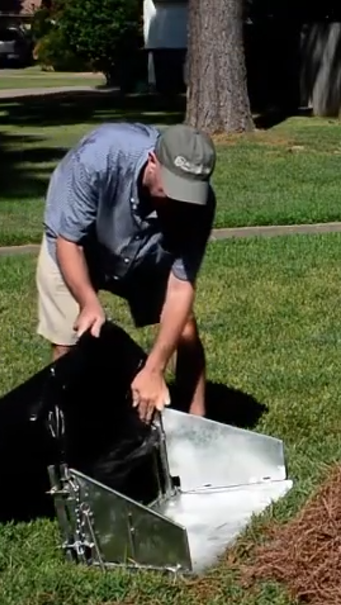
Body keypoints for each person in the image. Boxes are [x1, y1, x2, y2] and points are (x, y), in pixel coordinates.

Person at [34, 122, 217, 422]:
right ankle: (77, 428)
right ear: (153, 162)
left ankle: (199, 428)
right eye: (173, 189)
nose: (180, 202)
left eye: (190, 194)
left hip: (149, 250)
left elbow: (180, 288)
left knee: (185, 330)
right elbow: (70, 242)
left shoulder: (200, 206)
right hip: (80, 244)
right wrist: (88, 301)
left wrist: (154, 368)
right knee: (67, 339)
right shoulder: (98, 158)